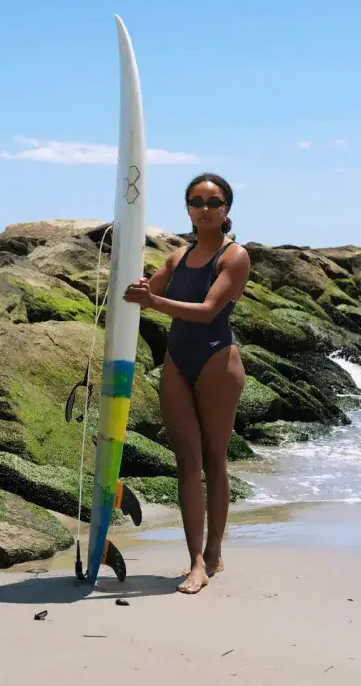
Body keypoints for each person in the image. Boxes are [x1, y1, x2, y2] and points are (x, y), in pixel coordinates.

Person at [122, 173, 250, 594]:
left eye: (214, 202)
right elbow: (140, 295)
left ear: (227, 209)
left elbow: (210, 310)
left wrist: (153, 301)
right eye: (197, 202)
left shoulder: (235, 257)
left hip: (217, 360)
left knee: (214, 460)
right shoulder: (177, 258)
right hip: (177, 362)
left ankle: (213, 552)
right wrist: (130, 281)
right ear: (188, 209)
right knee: (186, 464)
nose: (205, 209)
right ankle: (195, 558)